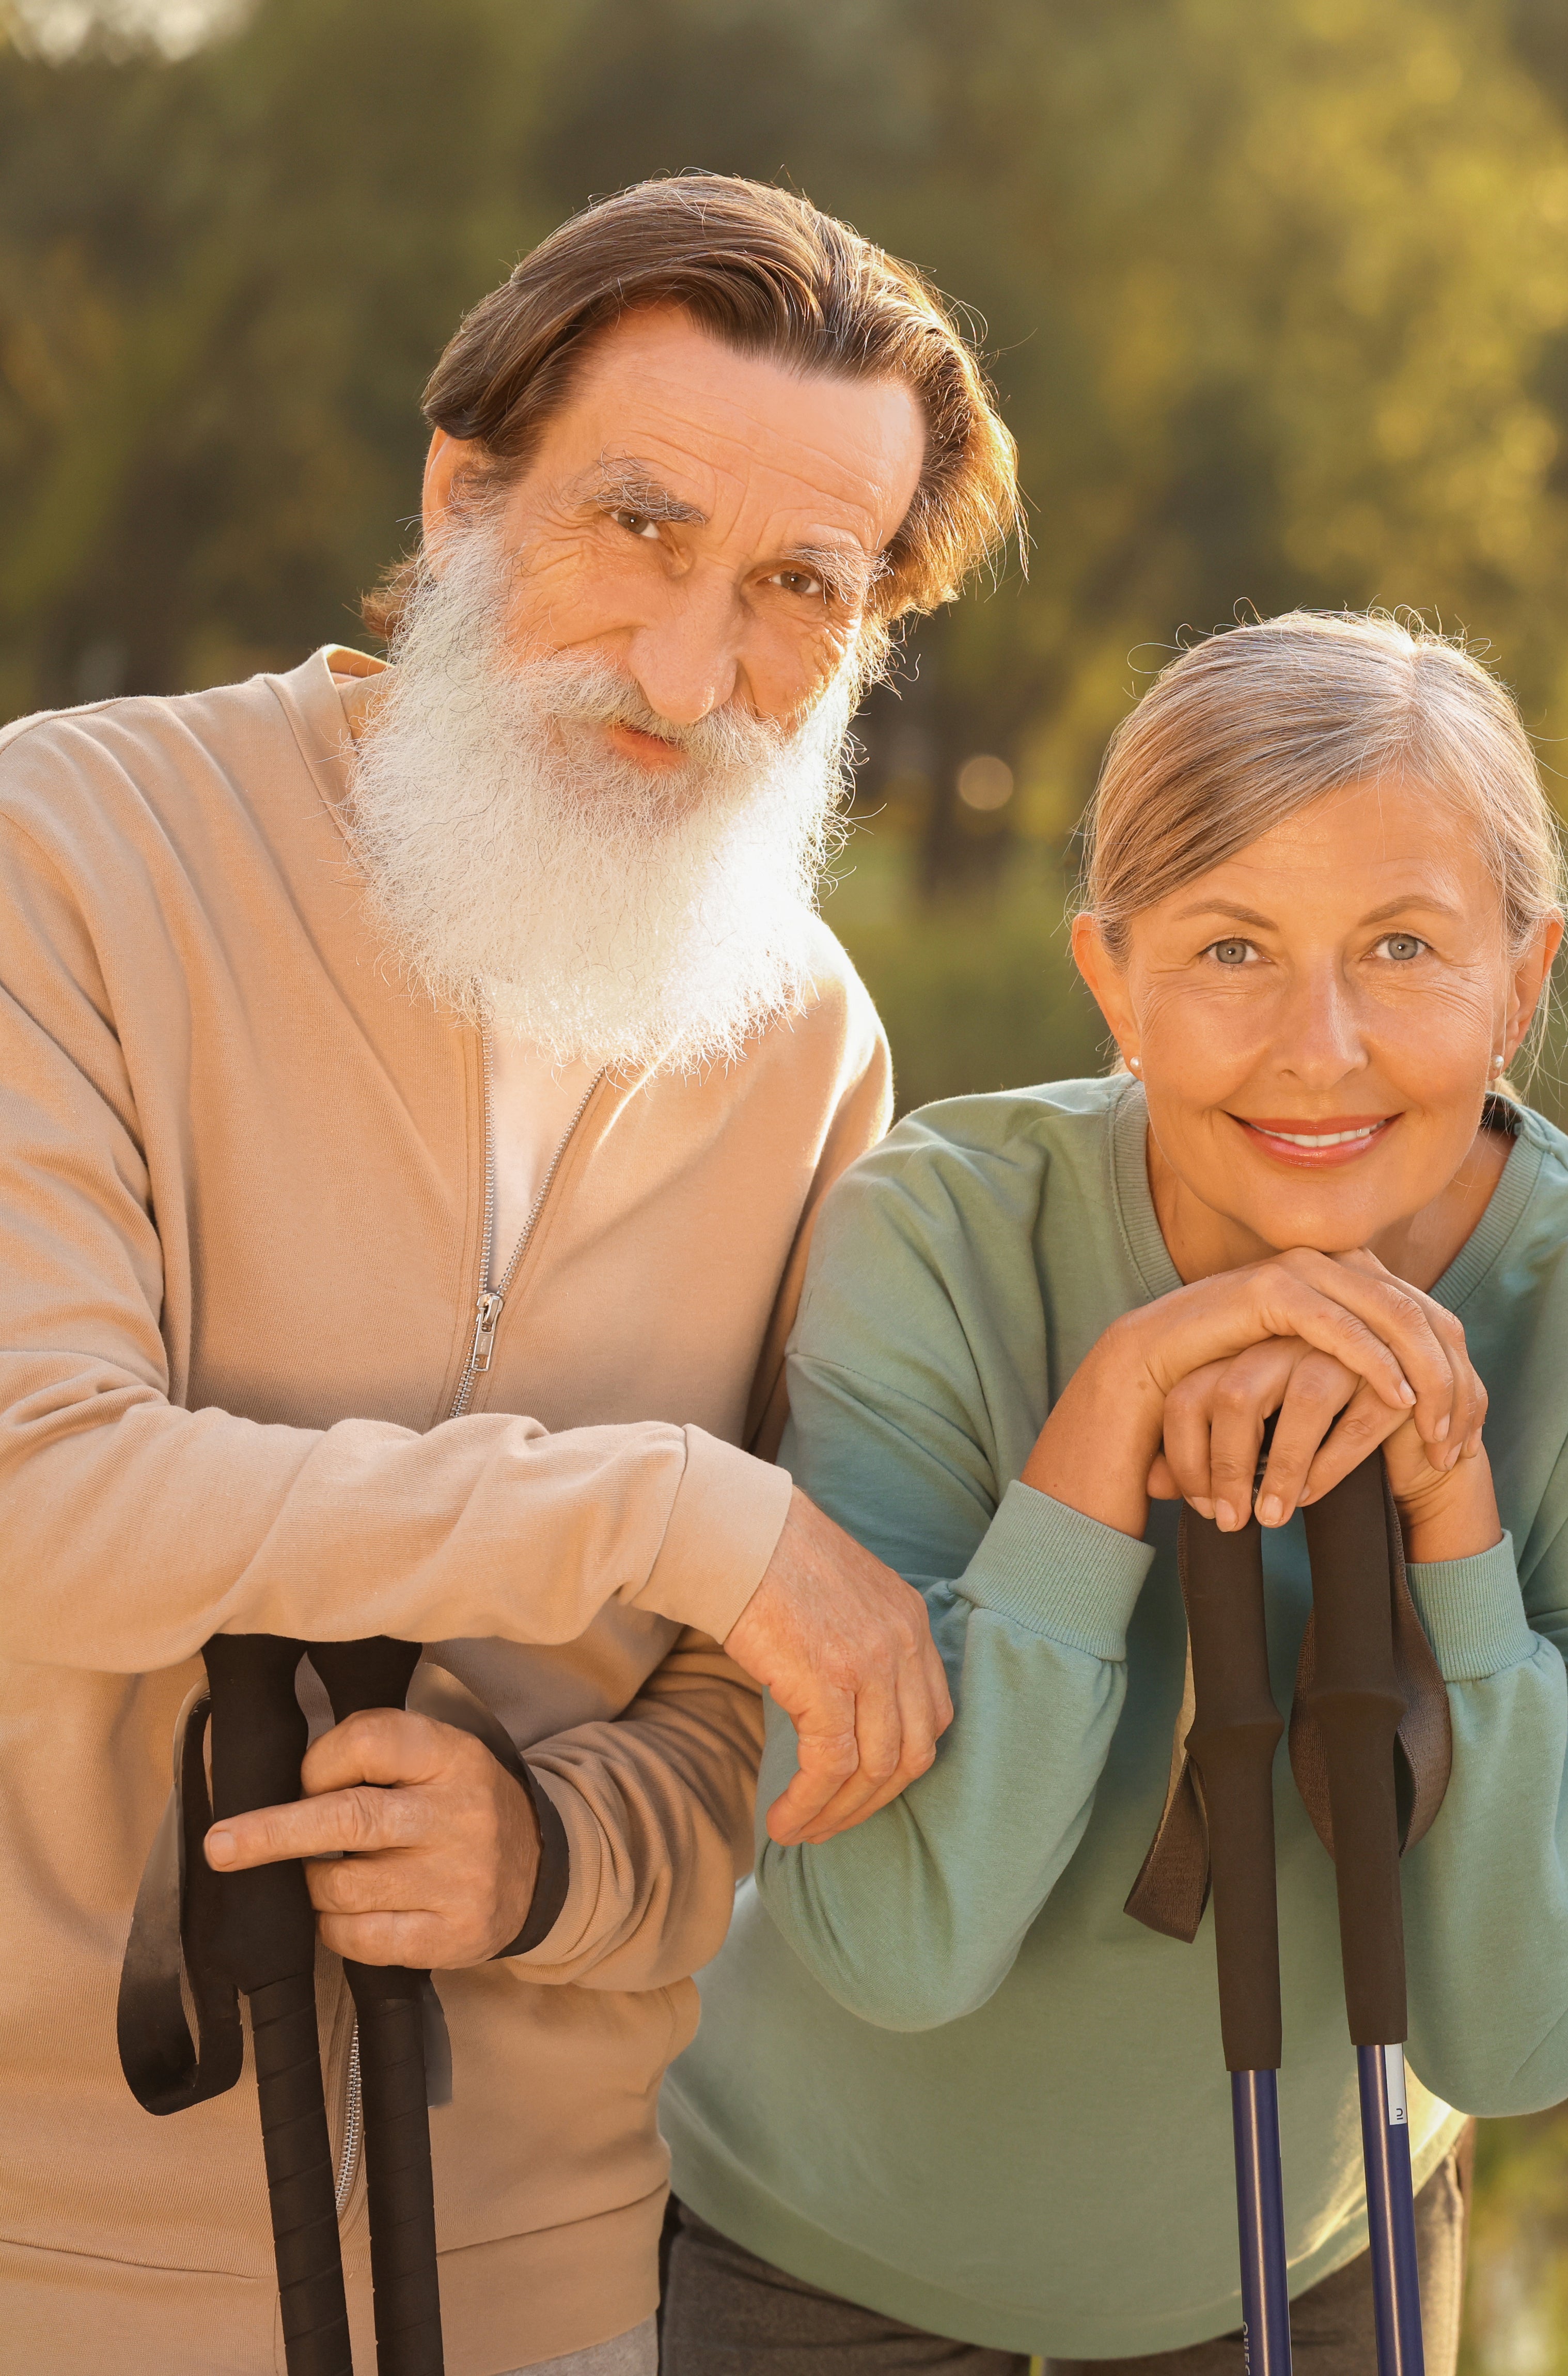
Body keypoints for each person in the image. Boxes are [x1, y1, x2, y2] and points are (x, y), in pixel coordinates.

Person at [0, 177, 1006, 2372]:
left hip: (569, 2272)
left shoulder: (809, 1030)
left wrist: (552, 1860)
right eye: (638, 528)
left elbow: (777, 1690)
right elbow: (37, 1502)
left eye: (797, 590)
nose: (687, 670)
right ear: (464, 495)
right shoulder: (62, 851)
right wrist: (665, 1506)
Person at [656, 611, 1568, 2373]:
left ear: (1522, 981)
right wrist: (1110, 1419)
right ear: (1110, 980)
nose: (1318, 1051)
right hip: (814, 2271)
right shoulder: (936, 1233)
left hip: (1312, 2281)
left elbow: (1532, 2033)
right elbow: (897, 1940)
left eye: (1402, 946)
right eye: (1232, 949)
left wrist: (1445, 1507)